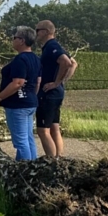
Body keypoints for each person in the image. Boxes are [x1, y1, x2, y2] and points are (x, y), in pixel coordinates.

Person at [0, 26, 41, 160]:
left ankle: (24, 171)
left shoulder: (20, 60)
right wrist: (31, 97)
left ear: (21, 41)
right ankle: (34, 167)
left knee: (20, 141)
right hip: (30, 103)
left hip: (17, 105)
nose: (12, 40)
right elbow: (38, 81)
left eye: (14, 38)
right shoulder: (36, 59)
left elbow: (17, 83)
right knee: (28, 138)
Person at [35, 20, 77, 157]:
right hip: (57, 94)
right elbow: (74, 64)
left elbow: (67, 62)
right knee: (54, 128)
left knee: (43, 131)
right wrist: (62, 82)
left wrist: (56, 82)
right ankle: (59, 159)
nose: (36, 34)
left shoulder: (51, 46)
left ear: (46, 32)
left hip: (48, 94)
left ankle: (52, 162)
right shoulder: (56, 46)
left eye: (38, 30)